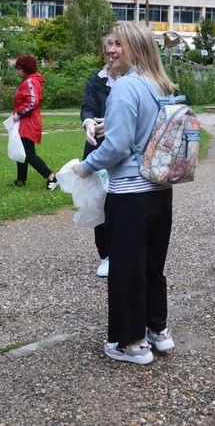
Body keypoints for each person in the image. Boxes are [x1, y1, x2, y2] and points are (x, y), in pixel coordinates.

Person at [73, 23, 177, 365]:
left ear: (134, 48)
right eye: (110, 43)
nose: (110, 49)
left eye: (118, 44)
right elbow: (144, 132)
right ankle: (156, 331)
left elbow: (116, 147)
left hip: (130, 191)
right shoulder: (160, 85)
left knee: (125, 268)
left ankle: (130, 343)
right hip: (160, 190)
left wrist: (86, 167)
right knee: (151, 265)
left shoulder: (125, 87)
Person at [80, 44, 118, 278]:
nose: (111, 56)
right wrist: (88, 123)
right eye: (107, 52)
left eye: (115, 51)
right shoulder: (96, 81)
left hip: (122, 152)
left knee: (120, 202)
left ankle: (124, 251)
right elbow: (87, 108)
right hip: (97, 148)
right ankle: (105, 255)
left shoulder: (135, 81)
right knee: (99, 203)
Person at [11, 54, 58, 190]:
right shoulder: (29, 80)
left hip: (28, 122)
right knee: (21, 150)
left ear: (25, 68)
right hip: (25, 122)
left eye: (19, 68)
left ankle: (51, 177)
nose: (17, 71)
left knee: (28, 153)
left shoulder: (30, 82)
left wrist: (18, 114)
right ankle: (21, 179)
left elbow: (32, 101)